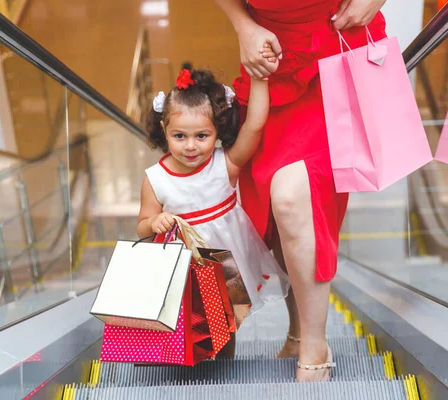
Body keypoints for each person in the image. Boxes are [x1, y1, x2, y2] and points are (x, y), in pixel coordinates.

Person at [214, 0, 387, 381]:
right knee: (276, 207)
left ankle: (314, 345)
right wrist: (242, 25)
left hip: (336, 52)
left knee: (294, 196)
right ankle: (296, 331)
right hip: (271, 61)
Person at [137, 68, 289, 319]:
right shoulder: (155, 179)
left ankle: (224, 360)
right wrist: (154, 222)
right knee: (190, 321)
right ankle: (194, 359)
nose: (190, 145)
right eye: (179, 136)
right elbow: (142, 227)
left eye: (202, 135)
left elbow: (254, 125)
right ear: (164, 129)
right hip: (183, 264)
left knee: (228, 321)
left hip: (227, 260)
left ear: (217, 131)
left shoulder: (225, 165)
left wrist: (259, 77)